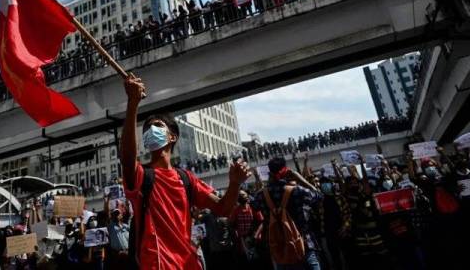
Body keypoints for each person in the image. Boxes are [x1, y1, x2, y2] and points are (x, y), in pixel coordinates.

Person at [121, 73, 250, 270]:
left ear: (172, 137)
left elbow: (223, 208)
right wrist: (132, 104)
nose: (150, 131)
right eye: (146, 129)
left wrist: (234, 183)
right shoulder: (141, 176)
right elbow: (128, 159)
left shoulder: (187, 178)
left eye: (157, 126)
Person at [251, 157, 322, 270]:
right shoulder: (296, 190)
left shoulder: (261, 195)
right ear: (285, 170)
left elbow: (253, 204)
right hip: (304, 246)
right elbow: (318, 195)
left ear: (270, 173)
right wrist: (299, 179)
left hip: (280, 250)